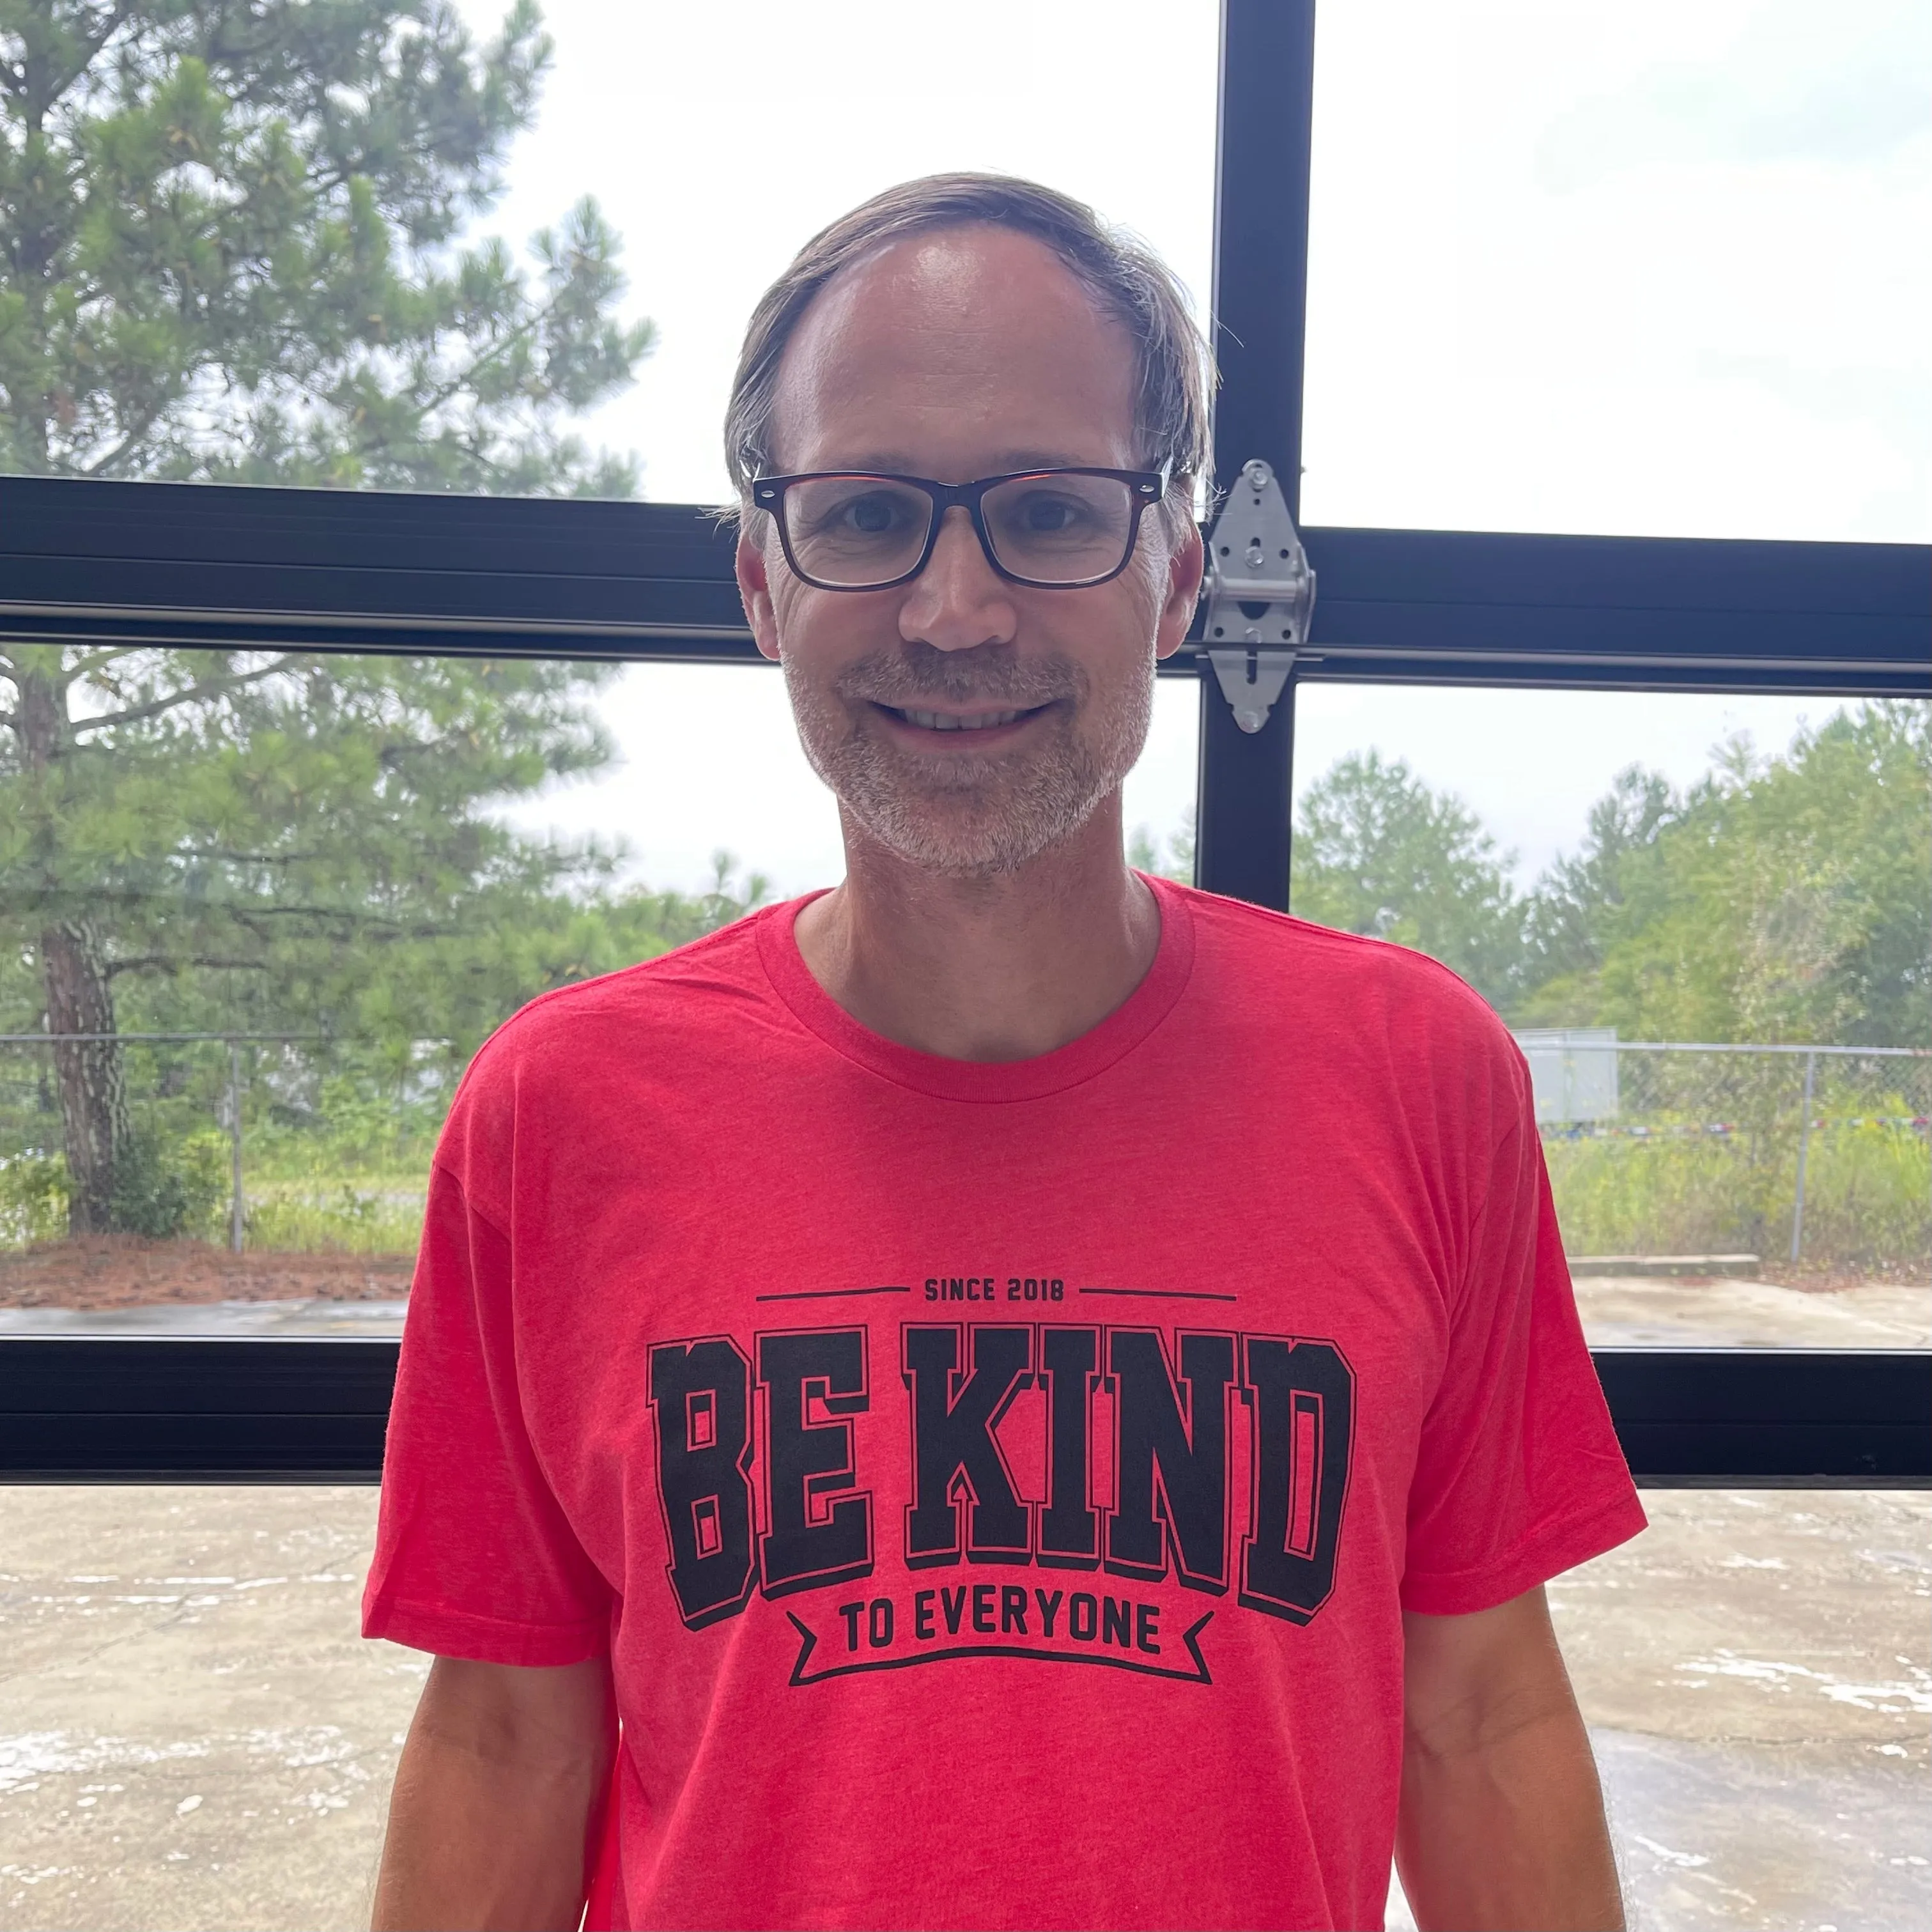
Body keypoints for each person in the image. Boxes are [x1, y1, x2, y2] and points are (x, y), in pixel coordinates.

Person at [364, 173, 1644, 1932]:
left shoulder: (1414, 1074)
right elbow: (511, 1737)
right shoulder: (562, 1111)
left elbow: (1478, 1711)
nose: (953, 609)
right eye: (870, 511)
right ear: (758, 580)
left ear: (1178, 572)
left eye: (1048, 511)